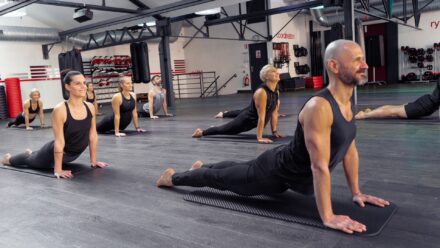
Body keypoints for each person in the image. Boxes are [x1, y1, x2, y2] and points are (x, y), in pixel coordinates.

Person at [157, 40, 390, 234]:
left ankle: (202, 166)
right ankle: (173, 178)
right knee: (223, 180)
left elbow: (349, 148)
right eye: (358, 60)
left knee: (238, 169)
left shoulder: (344, 101)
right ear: (334, 66)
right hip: (273, 173)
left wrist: (356, 192)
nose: (365, 65)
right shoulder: (319, 107)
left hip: (286, 171)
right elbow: (319, 166)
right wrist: (327, 216)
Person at [2, 71, 108, 179]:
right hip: (51, 154)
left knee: (34, 155)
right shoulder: (60, 110)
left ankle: (32, 153)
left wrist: (93, 161)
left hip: (71, 155)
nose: (83, 87)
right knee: (29, 160)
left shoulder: (90, 107)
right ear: (67, 86)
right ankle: (7, 159)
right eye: (77, 83)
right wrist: (58, 170)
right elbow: (59, 141)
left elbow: (93, 135)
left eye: (84, 83)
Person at [192, 64, 284, 144]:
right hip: (246, 120)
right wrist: (259, 138)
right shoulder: (262, 93)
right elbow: (261, 117)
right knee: (224, 130)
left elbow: (274, 113)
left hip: (252, 121)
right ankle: (201, 132)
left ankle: (214, 127)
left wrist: (274, 131)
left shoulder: (276, 91)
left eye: (276, 71)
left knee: (225, 129)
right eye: (273, 72)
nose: (277, 73)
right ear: (266, 77)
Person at [355, 78, 440, 120]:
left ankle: (370, 112)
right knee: (393, 111)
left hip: (427, 103)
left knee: (395, 110)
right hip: (425, 106)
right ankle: (364, 115)